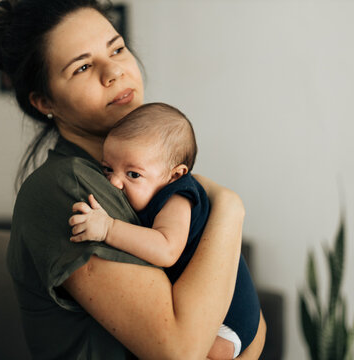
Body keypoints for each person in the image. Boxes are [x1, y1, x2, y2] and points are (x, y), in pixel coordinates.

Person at [0, 0, 266, 359]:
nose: (113, 70)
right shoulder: (65, 187)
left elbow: (250, 326)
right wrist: (230, 207)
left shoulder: (150, 176)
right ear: (43, 101)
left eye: (117, 48)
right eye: (82, 66)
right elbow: (181, 350)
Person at [69, 102, 262, 359]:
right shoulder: (154, 187)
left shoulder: (177, 199)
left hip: (230, 316)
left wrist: (108, 227)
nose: (114, 182)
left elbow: (166, 249)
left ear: (174, 175)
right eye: (108, 169)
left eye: (133, 174)